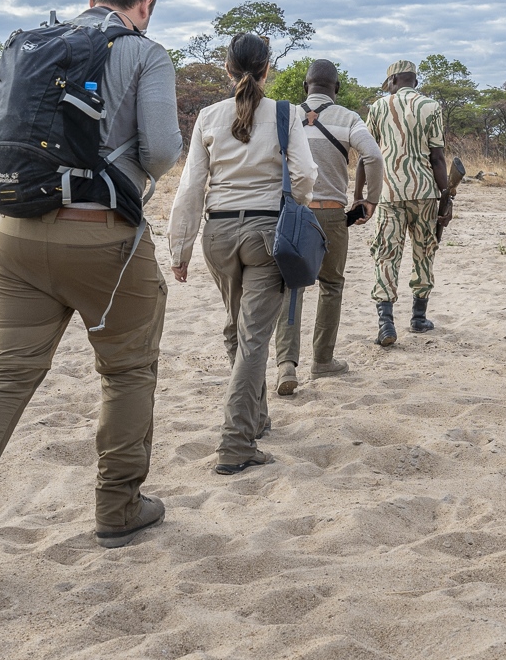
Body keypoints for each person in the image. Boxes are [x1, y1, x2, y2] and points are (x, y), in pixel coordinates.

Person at [0, 0, 181, 586]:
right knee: (127, 369)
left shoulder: (28, 41)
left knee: (5, 376)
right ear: (144, 4)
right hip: (103, 242)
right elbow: (164, 149)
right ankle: (118, 506)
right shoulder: (145, 54)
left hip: (14, 238)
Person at [167, 33, 318, 475]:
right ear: (267, 68)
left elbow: (192, 186)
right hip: (265, 233)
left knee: (237, 329)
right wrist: (296, 206)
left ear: (226, 68)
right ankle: (236, 443)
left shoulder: (208, 116)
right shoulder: (286, 113)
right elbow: (305, 174)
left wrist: (180, 247)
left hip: (217, 234)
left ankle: (257, 417)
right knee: (254, 338)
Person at [271, 59, 383, 395]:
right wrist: (369, 199)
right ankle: (322, 361)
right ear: (337, 88)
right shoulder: (348, 118)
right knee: (331, 285)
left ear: (306, 86)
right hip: (333, 214)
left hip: (292, 213)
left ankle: (286, 364)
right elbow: (374, 157)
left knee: (291, 286)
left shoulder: (286, 114)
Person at [365, 59, 455, 347]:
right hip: (425, 192)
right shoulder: (431, 107)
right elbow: (438, 157)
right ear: (414, 81)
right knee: (424, 252)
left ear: (392, 81)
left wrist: (364, 194)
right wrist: (447, 196)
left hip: (389, 193)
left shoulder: (379, 107)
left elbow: (369, 154)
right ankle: (418, 317)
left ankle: (386, 323)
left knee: (386, 254)